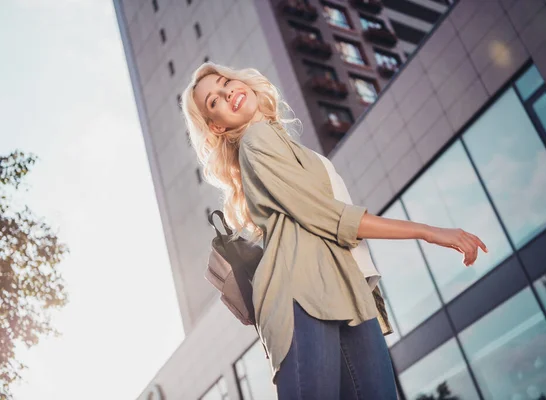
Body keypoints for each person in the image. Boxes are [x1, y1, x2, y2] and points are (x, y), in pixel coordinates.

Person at [181, 62, 488, 400]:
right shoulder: (256, 140)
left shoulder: (279, 141)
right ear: (218, 127)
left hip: (347, 291)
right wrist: (429, 231)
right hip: (302, 296)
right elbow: (331, 217)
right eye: (215, 101)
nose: (228, 94)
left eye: (226, 83)